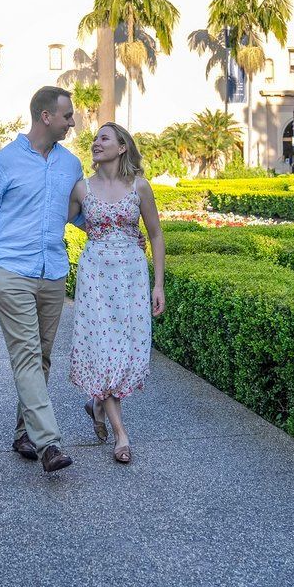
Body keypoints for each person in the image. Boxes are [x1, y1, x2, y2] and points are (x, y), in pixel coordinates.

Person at [0, 86, 82, 474]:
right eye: (67, 115)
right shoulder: (3, 163)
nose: (72, 122)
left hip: (53, 272)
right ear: (45, 117)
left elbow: (79, 215)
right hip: (11, 273)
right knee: (28, 355)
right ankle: (48, 442)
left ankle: (23, 434)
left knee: (42, 358)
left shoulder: (71, 165)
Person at [66, 122, 166, 464]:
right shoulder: (81, 188)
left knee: (125, 349)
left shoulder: (140, 187)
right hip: (95, 275)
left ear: (122, 147)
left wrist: (158, 284)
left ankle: (97, 404)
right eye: (94, 139)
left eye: (104, 138)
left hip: (132, 278)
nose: (96, 143)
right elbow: (58, 220)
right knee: (103, 349)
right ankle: (121, 435)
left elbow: (155, 235)